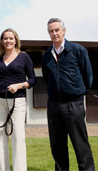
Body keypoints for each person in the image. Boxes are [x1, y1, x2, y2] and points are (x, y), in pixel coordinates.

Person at [42, 18, 95, 171]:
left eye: (57, 30)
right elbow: (47, 78)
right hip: (53, 105)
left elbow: (88, 76)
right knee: (57, 146)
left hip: (74, 104)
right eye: (51, 31)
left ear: (64, 31)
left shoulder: (78, 50)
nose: (54, 33)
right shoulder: (46, 56)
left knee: (80, 144)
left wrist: (77, 94)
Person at [0, 28, 36, 171]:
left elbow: (33, 80)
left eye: (11, 38)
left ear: (16, 40)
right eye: (5, 38)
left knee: (18, 137)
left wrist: (19, 85)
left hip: (17, 100)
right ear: (2, 41)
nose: (8, 41)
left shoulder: (24, 57)